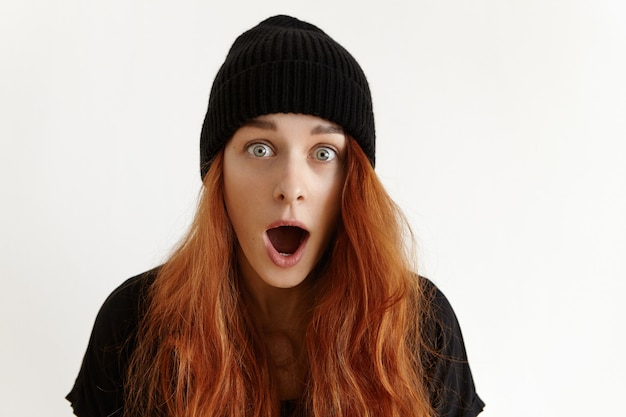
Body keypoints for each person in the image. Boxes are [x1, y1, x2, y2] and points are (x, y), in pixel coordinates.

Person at [67, 15, 485, 417]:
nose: (290, 186)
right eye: (260, 148)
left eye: (324, 153)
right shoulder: (133, 325)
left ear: (353, 183)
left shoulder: (421, 327)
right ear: (220, 174)